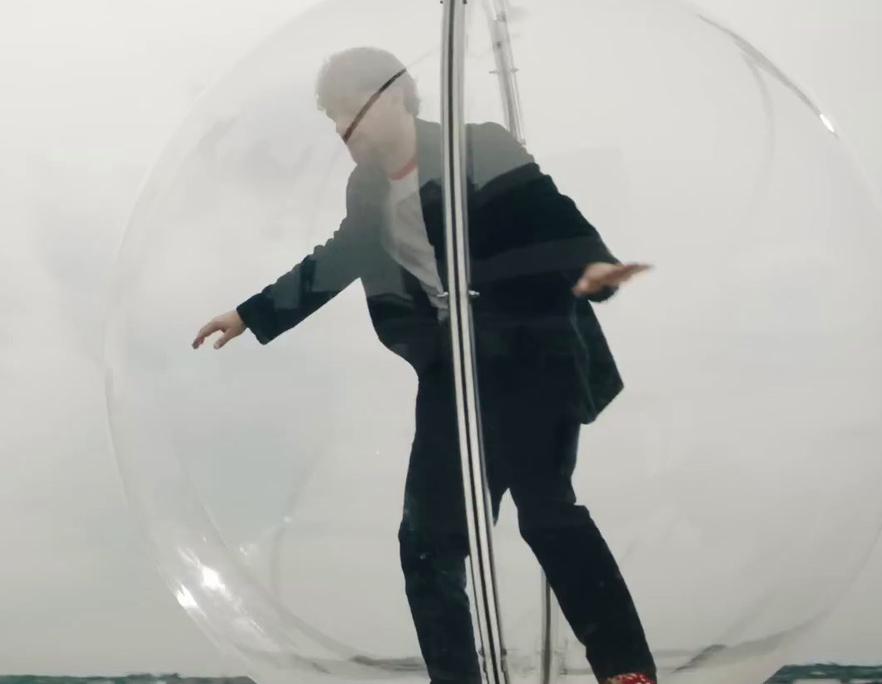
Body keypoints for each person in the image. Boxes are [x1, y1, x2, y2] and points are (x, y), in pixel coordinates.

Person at [192, 47, 657, 684]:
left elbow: (549, 210)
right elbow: (341, 256)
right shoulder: (367, 186)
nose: (340, 128)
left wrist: (593, 268)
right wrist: (250, 314)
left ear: (394, 97)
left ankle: (626, 671)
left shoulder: (478, 146)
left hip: (530, 352)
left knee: (545, 510)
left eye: (348, 111)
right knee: (426, 545)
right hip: (451, 372)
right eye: (332, 117)